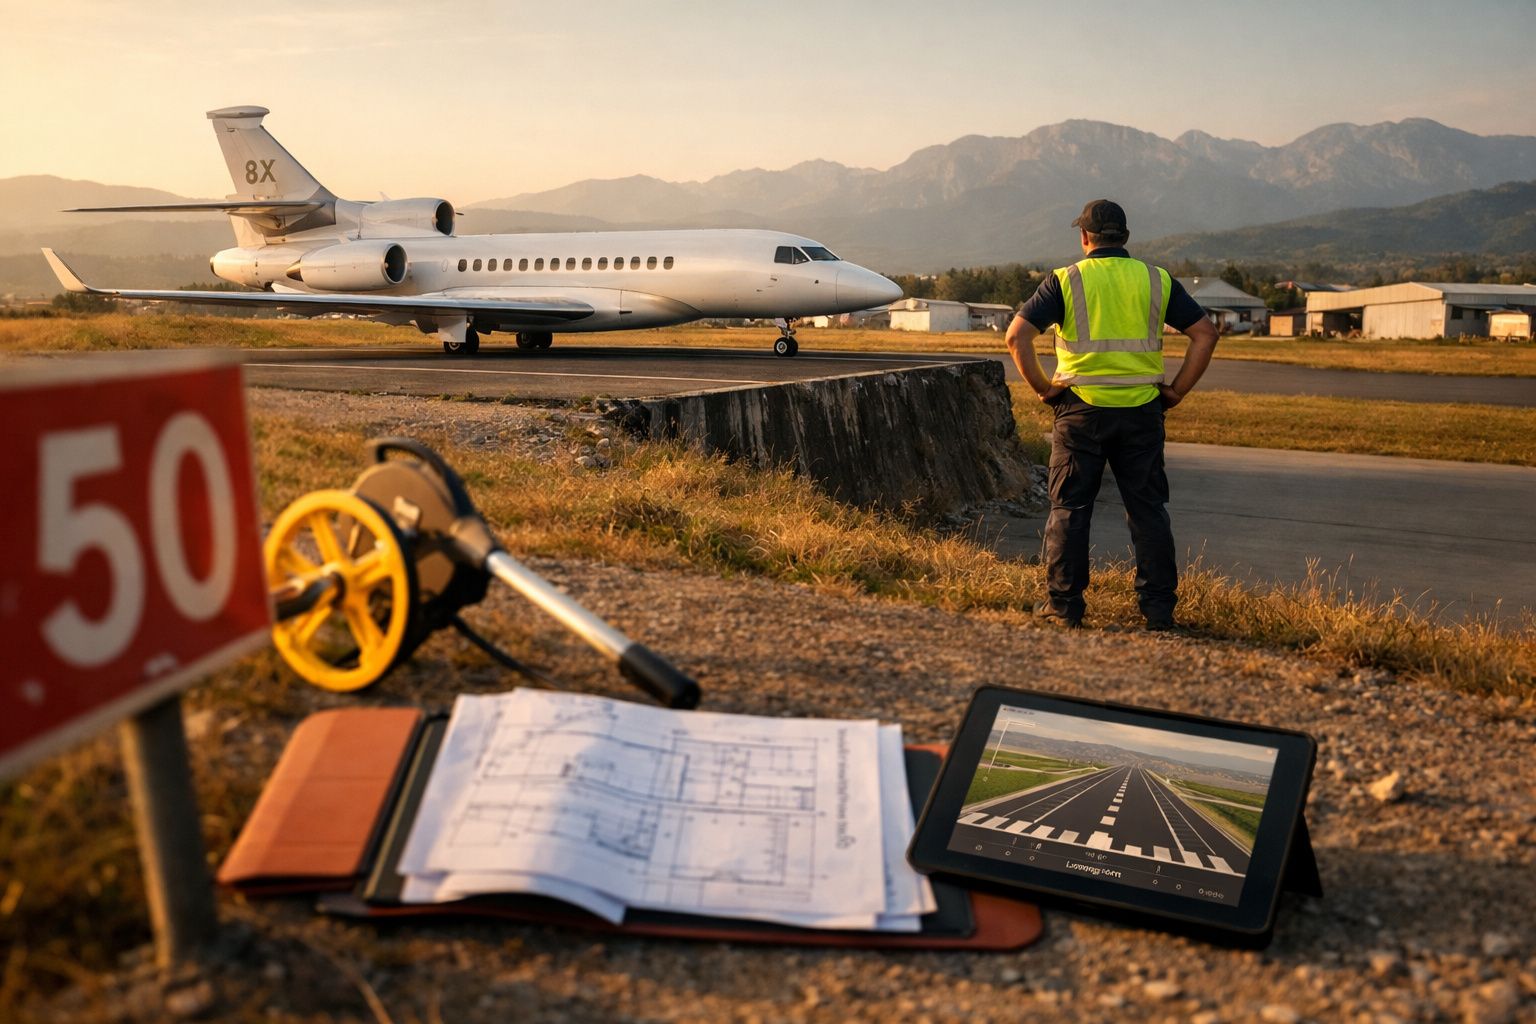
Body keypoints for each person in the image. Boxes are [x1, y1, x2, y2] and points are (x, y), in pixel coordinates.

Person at [1005, 199, 1219, 630]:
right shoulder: (1156, 279)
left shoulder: (1065, 280)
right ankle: (1158, 611)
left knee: (1070, 509)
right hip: (1142, 411)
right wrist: (1176, 391)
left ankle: (1064, 606)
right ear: (1125, 237)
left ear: (1084, 237)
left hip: (1080, 410)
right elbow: (1205, 334)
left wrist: (1045, 389)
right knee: (1148, 511)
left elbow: (1016, 337)